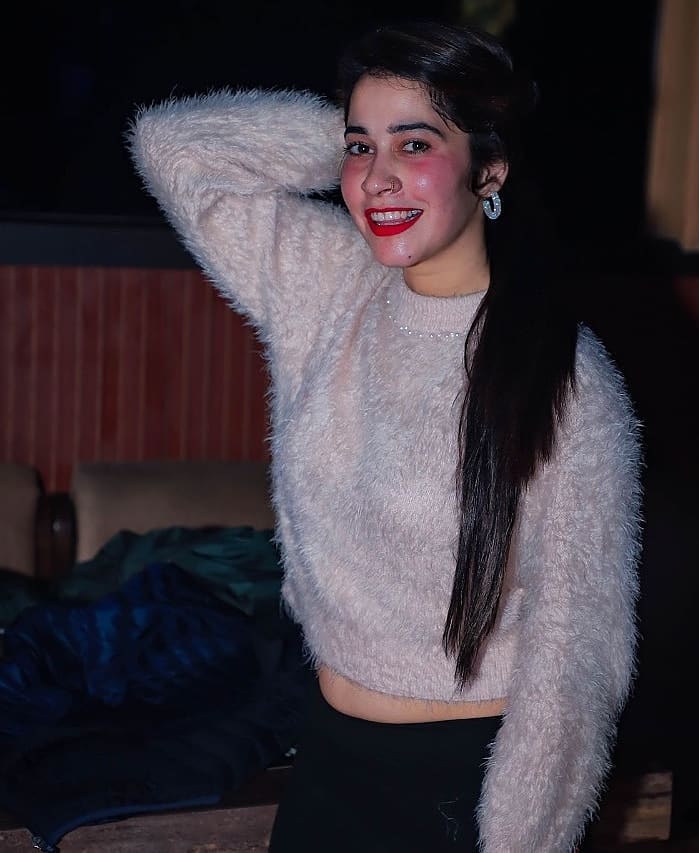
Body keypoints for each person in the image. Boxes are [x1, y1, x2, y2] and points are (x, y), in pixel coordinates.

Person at [128, 18, 642, 853]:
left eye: (416, 144)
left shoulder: (567, 380)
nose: (376, 178)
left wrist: (520, 838)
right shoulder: (332, 286)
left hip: (468, 785)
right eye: (361, 148)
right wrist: (347, 134)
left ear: (491, 168)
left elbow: (576, 659)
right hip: (329, 759)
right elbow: (173, 148)